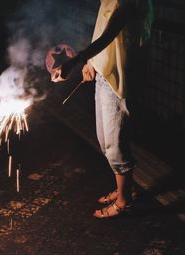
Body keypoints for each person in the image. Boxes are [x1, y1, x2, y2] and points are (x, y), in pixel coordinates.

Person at [51, 0, 153, 218]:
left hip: (118, 80)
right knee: (105, 141)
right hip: (104, 76)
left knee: (115, 146)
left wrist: (76, 61)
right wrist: (91, 64)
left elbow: (110, 34)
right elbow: (101, 30)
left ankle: (124, 201)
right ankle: (124, 188)